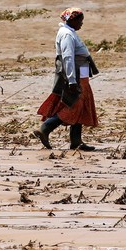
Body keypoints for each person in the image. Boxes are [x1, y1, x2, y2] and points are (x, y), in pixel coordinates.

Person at [33, 8, 100, 151]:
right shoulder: (67, 35)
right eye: (79, 20)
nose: (81, 23)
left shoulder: (71, 33)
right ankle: (45, 128)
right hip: (75, 75)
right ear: (72, 20)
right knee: (74, 106)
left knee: (80, 106)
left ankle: (76, 141)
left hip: (81, 74)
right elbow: (68, 58)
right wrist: (72, 81)